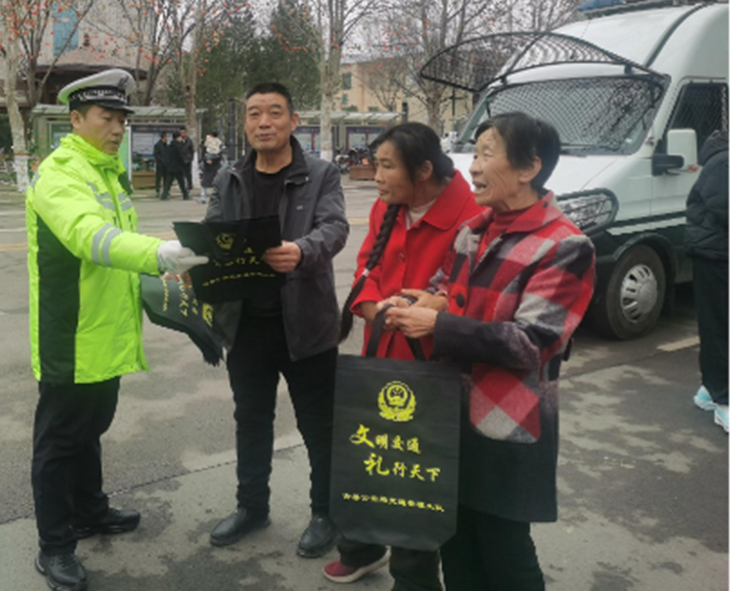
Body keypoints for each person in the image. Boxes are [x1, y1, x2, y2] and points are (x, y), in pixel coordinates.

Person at [390, 112, 595, 591]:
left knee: (505, 552)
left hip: (509, 422)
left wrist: (440, 324)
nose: (474, 167)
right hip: (449, 414)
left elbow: (532, 342)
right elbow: (446, 285)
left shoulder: (565, 246)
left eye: (487, 154)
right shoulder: (473, 231)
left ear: (529, 168)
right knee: (456, 543)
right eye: (475, 154)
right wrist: (427, 301)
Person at [28, 69, 208, 591]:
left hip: (105, 329)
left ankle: (89, 511)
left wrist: (162, 263)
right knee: (60, 443)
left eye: (122, 120)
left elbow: (118, 241)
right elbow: (90, 237)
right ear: (75, 119)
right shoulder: (60, 174)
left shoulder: (106, 171)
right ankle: (55, 545)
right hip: (71, 333)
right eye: (106, 118)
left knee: (89, 431)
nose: (117, 129)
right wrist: (160, 254)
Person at [322, 123, 482, 587]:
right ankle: (361, 547)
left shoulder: (472, 216)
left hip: (433, 366)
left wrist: (432, 308)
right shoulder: (385, 207)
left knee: (414, 474)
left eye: (387, 166)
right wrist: (374, 308)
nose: (376, 176)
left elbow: (471, 294)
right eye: (376, 165)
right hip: (381, 353)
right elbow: (366, 267)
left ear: (424, 170)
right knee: (366, 456)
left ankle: (414, 578)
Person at [206, 82, 349, 558]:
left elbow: (335, 227)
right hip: (246, 326)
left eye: (273, 112)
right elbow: (211, 233)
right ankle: (252, 506)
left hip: (306, 325)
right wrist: (192, 261)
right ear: (245, 122)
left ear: (293, 121)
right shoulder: (229, 177)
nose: (263, 122)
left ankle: (325, 513)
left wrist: (302, 251)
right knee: (251, 421)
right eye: (254, 113)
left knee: (318, 426)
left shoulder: (321, 174)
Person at [687, 129, 728, 433]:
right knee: (719, 328)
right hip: (715, 256)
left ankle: (709, 390)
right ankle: (723, 401)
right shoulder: (724, 161)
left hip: (718, 253)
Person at [162, 130, 188, 200]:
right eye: (180, 137)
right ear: (178, 137)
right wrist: (183, 163)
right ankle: (185, 195)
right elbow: (180, 156)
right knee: (181, 182)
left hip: (170, 167)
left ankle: (164, 195)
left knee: (168, 182)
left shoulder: (169, 145)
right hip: (178, 167)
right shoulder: (178, 146)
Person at [199, 129, 224, 204]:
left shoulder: (207, 142)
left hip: (207, 165)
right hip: (216, 165)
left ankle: (203, 198)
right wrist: (214, 160)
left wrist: (206, 160)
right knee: (217, 182)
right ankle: (217, 198)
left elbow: (203, 153)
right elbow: (221, 155)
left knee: (205, 182)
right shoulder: (219, 143)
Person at [176, 126, 195, 192]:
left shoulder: (189, 140)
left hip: (188, 159)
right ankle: (182, 186)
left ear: (186, 133)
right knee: (181, 174)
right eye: (181, 133)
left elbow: (192, 150)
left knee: (188, 173)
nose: (183, 134)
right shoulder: (179, 140)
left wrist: (191, 158)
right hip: (180, 160)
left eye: (184, 133)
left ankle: (190, 185)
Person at [153, 131, 170, 197]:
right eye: (167, 136)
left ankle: (166, 191)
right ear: (164, 137)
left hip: (166, 165)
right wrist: (162, 160)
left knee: (166, 178)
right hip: (160, 164)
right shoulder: (158, 145)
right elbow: (156, 155)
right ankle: (157, 190)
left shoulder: (166, 145)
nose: (167, 138)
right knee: (159, 178)